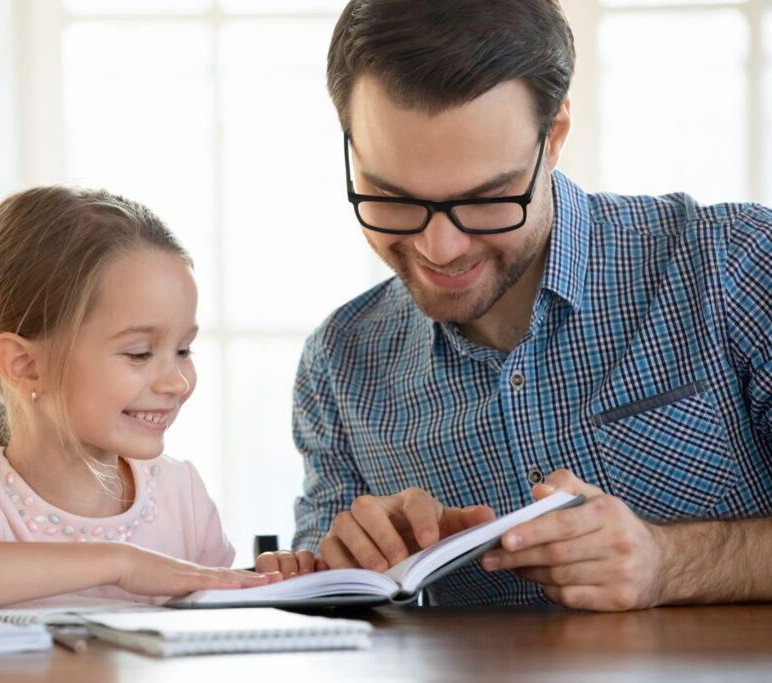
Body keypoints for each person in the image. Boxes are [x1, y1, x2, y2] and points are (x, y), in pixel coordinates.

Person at [273, 0, 772, 611]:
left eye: (486, 199)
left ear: (554, 136)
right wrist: (355, 565)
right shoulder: (338, 367)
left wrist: (670, 563)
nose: (440, 249)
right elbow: (320, 610)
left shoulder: (735, 266)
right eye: (391, 196)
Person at [0, 186, 277, 616]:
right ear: (26, 366)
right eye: (139, 353)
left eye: (183, 350)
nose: (177, 382)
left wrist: (274, 583)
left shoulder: (183, 498)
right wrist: (120, 563)